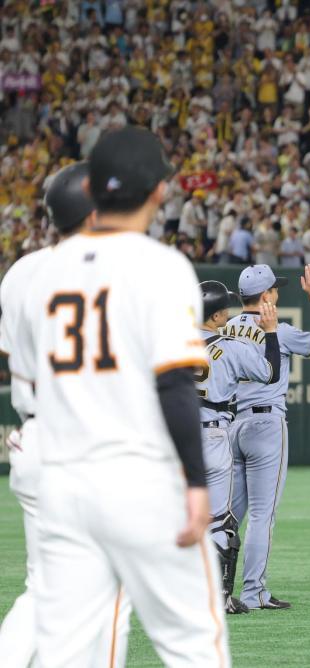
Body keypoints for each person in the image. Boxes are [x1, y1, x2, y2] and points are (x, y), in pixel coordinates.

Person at [24, 127, 229, 666]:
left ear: (91, 188)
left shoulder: (42, 272)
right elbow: (174, 385)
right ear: (160, 191)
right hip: (141, 480)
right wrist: (195, 482)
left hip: (62, 486)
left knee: (64, 652)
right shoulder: (159, 266)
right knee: (193, 645)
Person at [0, 162, 132, 667]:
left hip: (35, 443)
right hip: (96, 449)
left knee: (44, 590)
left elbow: (17, 358)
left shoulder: (21, 273)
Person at [222, 263, 310, 610]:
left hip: (230, 427)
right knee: (261, 516)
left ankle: (214, 588)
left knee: (228, 516)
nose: (277, 293)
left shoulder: (225, 329)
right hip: (266, 425)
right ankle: (254, 593)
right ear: (266, 295)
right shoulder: (277, 331)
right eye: (275, 289)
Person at [196, 281, 281, 614]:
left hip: (175, 439)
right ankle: (221, 597)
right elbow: (270, 373)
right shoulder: (230, 346)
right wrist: (271, 332)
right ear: (217, 315)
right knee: (219, 523)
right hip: (214, 437)